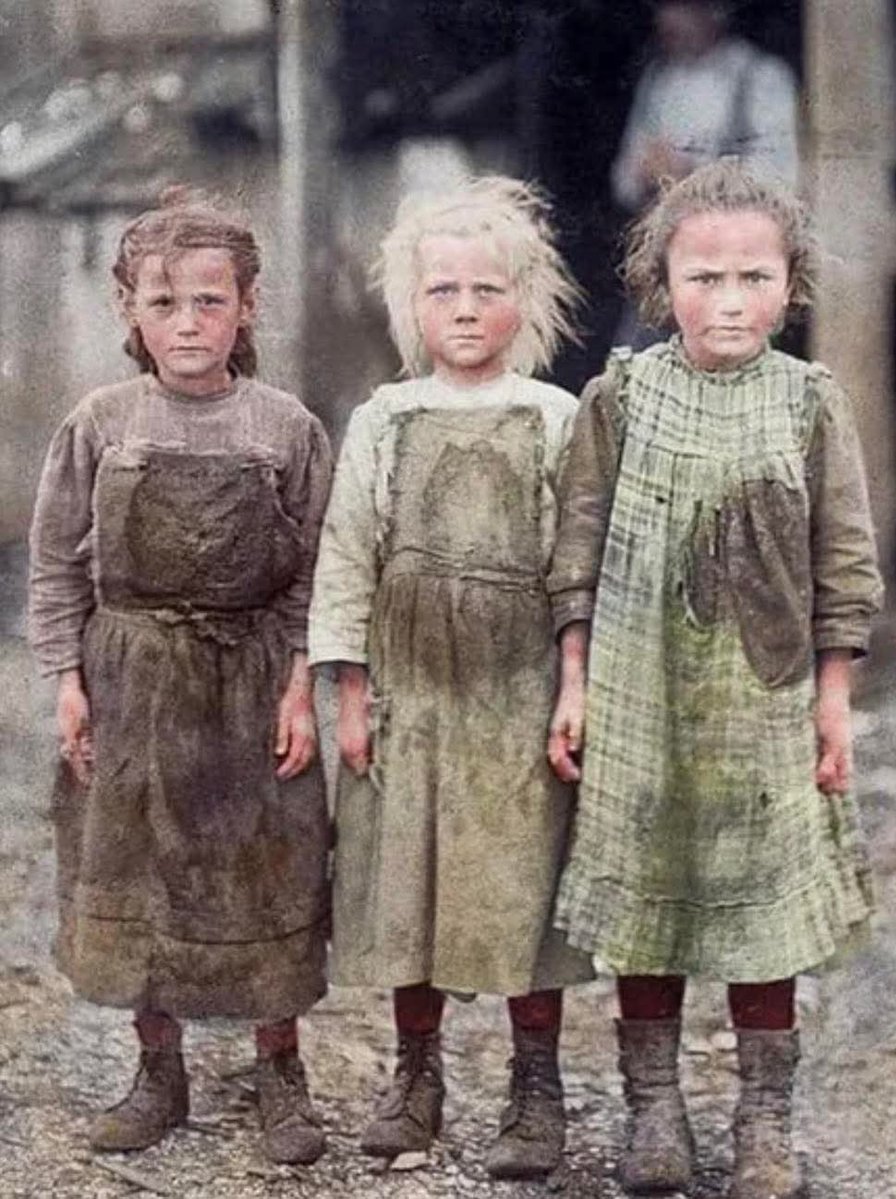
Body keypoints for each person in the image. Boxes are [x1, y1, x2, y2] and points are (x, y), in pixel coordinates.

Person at [547, 161, 883, 1198]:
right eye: (702, 278)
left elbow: (843, 563)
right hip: (640, 691)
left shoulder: (810, 403)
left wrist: (831, 700)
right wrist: (575, 679)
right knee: (645, 894)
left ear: (790, 286)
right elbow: (575, 548)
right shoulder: (620, 396)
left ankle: (762, 1122)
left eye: (752, 277)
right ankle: (654, 1110)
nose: (728, 300)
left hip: (762, 701)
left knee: (759, 905)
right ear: (661, 285)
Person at [28, 190, 333, 1166]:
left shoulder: (286, 427)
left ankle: (279, 1069)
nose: (188, 323)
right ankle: (158, 1071)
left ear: (247, 307)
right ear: (130, 309)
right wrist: (67, 679)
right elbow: (56, 563)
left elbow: (316, 573)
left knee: (266, 867)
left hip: (250, 680)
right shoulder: (100, 421)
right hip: (133, 678)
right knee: (139, 868)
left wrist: (300, 686)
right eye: (163, 303)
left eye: (210, 301)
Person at [308, 176, 594, 1180]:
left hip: (516, 697)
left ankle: (535, 1085)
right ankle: (415, 1076)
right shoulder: (383, 418)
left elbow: (576, 566)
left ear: (527, 299)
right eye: (443, 291)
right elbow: (347, 555)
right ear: (410, 304)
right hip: (410, 696)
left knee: (520, 885)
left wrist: (572, 682)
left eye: (486, 289)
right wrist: (349, 693)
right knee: (408, 883)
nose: (465, 309)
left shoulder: (556, 417)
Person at [611, 0, 799, 348]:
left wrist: (693, 174)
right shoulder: (659, 80)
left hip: (737, 261)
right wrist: (644, 170)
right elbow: (622, 181)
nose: (667, 19)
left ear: (716, 11)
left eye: (682, 8)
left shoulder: (761, 77)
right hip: (667, 261)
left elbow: (783, 179)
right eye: (663, 8)